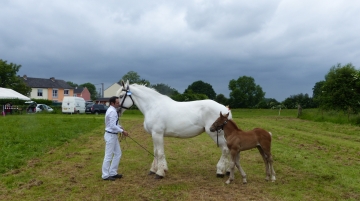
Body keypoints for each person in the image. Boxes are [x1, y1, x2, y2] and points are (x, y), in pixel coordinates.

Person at [102, 96, 129, 181]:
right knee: (108, 156)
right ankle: (105, 175)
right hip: (110, 135)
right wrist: (122, 131)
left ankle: (113, 172)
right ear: (112, 103)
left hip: (113, 135)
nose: (119, 104)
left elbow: (113, 124)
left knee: (118, 153)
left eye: (118, 102)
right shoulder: (112, 111)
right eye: (117, 103)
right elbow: (113, 126)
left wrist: (121, 127)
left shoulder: (112, 110)